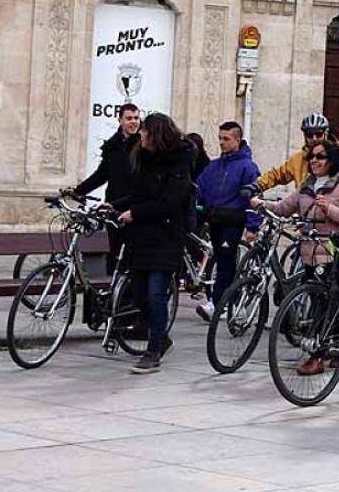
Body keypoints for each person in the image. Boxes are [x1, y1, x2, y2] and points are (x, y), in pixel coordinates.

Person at [252, 142, 339, 374]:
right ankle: (337, 344)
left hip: (335, 254)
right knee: (320, 302)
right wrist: (261, 204)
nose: (314, 160)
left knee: (328, 303)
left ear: (332, 160)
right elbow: (283, 207)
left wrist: (330, 209)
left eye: (320, 157)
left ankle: (318, 355)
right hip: (310, 254)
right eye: (312, 156)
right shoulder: (307, 187)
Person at [116, 113, 197, 374]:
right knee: (139, 295)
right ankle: (161, 338)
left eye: (144, 131)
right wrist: (116, 206)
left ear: (156, 134)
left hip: (166, 236)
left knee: (155, 293)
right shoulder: (143, 158)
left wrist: (136, 213)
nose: (140, 135)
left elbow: (170, 202)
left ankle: (152, 352)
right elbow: (137, 194)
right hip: (141, 238)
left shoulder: (180, 162)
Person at [194, 121, 261, 321]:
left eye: (226, 139)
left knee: (226, 261)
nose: (222, 143)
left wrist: (252, 226)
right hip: (214, 219)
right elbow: (200, 189)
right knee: (219, 260)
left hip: (233, 221)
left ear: (237, 140)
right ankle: (230, 301)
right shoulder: (214, 166)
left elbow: (253, 198)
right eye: (220, 138)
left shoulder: (248, 167)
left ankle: (219, 303)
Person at [71, 103, 142, 275]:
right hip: (114, 204)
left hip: (135, 203)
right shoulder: (113, 144)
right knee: (114, 250)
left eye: (136, 118)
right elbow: (102, 174)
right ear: (120, 120)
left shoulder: (143, 144)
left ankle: (128, 296)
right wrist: (78, 191)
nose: (133, 122)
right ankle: (110, 292)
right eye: (129, 118)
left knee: (133, 252)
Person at [250, 113, 336, 195]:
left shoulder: (338, 158)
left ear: (326, 134)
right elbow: (277, 175)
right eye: (310, 135)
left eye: (318, 134)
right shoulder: (298, 159)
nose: (314, 138)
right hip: (304, 206)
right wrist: (257, 185)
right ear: (305, 136)